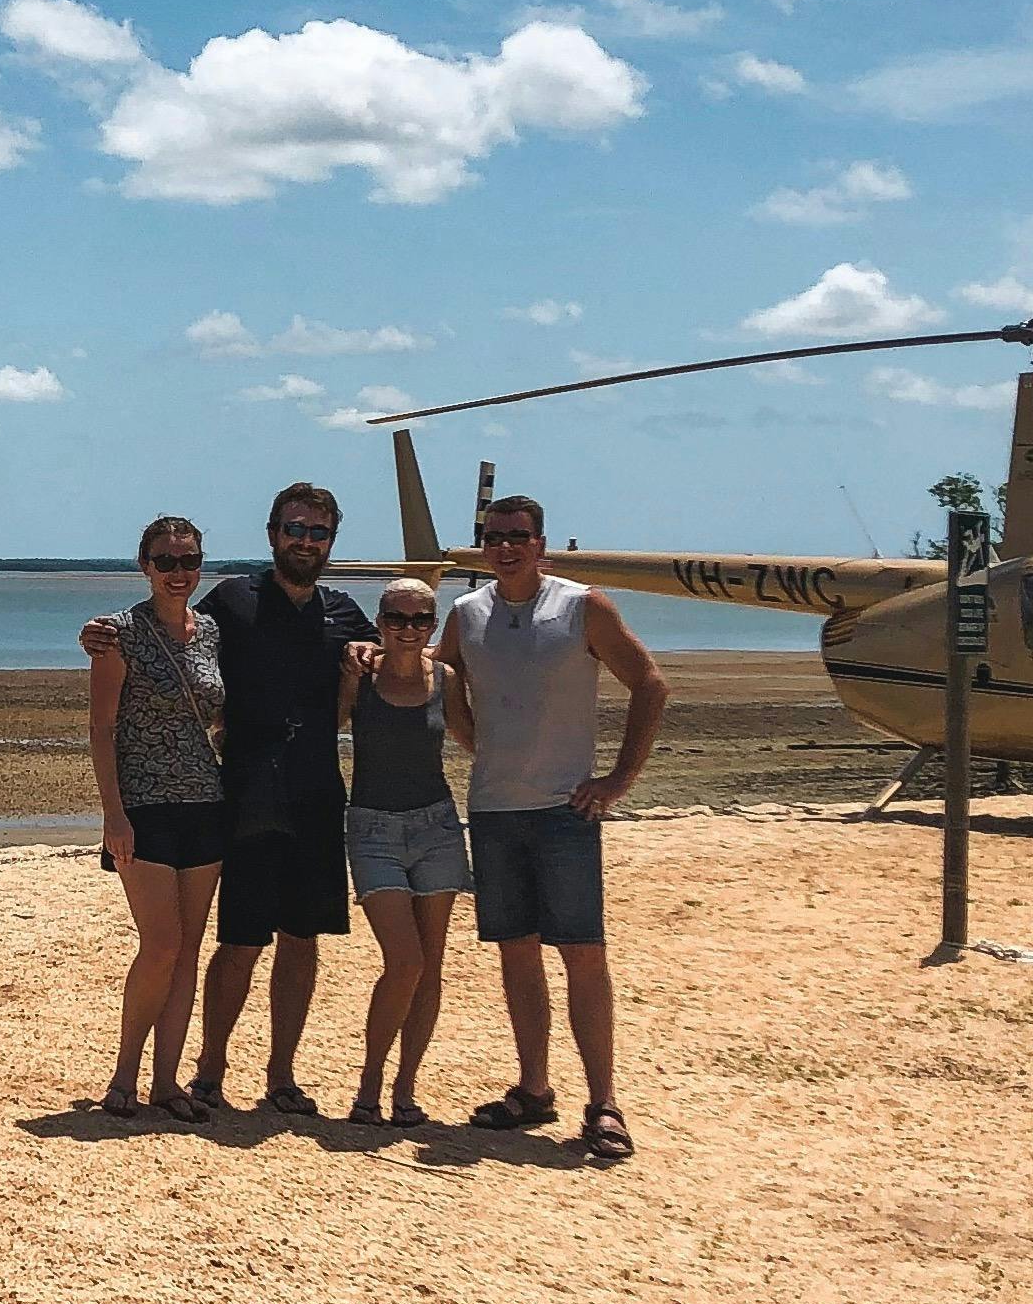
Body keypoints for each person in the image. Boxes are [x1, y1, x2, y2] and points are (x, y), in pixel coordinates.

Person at [89, 481, 373, 1116]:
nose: (305, 541)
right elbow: (165, 633)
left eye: (318, 532)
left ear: (331, 541)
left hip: (313, 795)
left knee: (302, 939)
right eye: (294, 528)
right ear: (272, 535)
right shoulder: (233, 601)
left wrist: (382, 656)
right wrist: (97, 635)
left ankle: (280, 1076)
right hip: (242, 793)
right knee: (236, 940)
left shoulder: (345, 613)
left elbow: (390, 660)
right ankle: (208, 1072)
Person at [445, 494, 666, 1163]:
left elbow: (649, 684)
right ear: (483, 546)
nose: (506, 548)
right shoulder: (466, 612)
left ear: (541, 544)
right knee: (516, 953)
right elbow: (442, 678)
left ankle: (603, 1103)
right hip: (494, 812)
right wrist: (473, 741)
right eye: (494, 538)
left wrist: (618, 780)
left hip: (565, 813)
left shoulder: (581, 607)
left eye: (518, 536)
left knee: (583, 953)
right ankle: (534, 1089)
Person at [83, 515, 227, 1115]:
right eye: (165, 561)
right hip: (144, 808)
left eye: (188, 561)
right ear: (145, 566)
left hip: (205, 804)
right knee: (161, 944)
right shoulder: (118, 634)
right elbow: (101, 728)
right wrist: (113, 816)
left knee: (188, 949)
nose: (177, 572)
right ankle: (124, 1077)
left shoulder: (210, 631)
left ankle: (167, 1083)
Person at [340, 576, 467, 1123]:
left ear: (433, 625)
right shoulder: (360, 675)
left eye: (420, 619)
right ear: (380, 622)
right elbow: (326, 725)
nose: (408, 629)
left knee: (429, 965)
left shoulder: (446, 678)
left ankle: (405, 1088)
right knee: (405, 960)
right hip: (372, 830)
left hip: (437, 827)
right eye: (396, 618)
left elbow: (474, 739)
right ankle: (369, 1082)